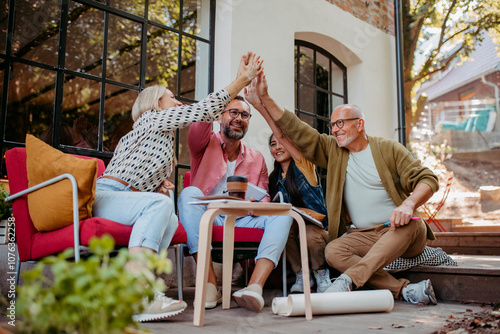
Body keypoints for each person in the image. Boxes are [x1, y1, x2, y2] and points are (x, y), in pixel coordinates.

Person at [92, 52, 264, 322]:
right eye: (172, 97)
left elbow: (134, 171)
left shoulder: (155, 137)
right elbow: (203, 111)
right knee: (160, 204)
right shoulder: (151, 119)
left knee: (170, 220)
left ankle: (137, 290)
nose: (178, 101)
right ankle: (139, 292)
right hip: (108, 196)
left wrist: (155, 185)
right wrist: (241, 79)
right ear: (155, 103)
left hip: (124, 199)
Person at [245, 72, 439, 305]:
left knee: (409, 223)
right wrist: (264, 99)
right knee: (333, 251)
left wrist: (408, 205)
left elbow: (427, 178)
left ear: (359, 124)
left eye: (340, 123)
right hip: (365, 235)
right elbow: (296, 130)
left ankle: (346, 281)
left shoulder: (389, 149)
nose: (335, 129)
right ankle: (405, 291)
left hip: (402, 231)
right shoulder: (333, 150)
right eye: (332, 125)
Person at [177, 95, 294, 312]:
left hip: (244, 218)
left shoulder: (257, 157)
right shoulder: (202, 145)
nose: (238, 118)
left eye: (244, 115)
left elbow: (265, 197)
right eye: (233, 112)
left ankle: (254, 287)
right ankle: (210, 283)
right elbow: (198, 126)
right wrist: (234, 88)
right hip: (208, 218)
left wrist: (255, 203)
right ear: (220, 115)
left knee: (283, 213)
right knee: (189, 193)